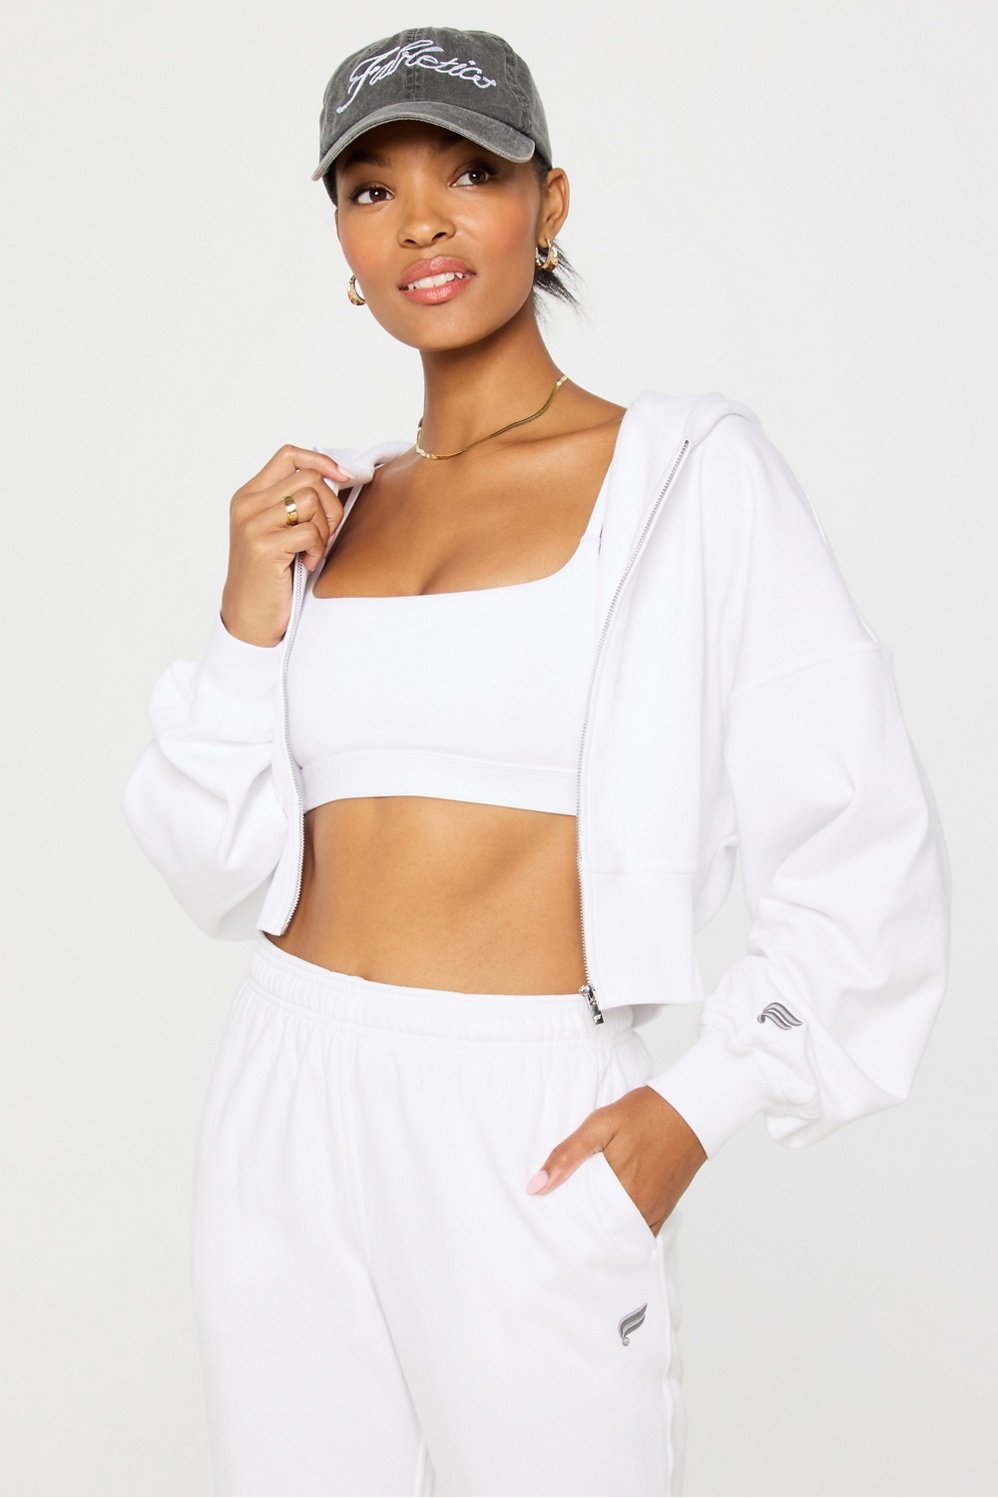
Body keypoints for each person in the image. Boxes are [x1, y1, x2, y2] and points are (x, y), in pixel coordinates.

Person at [120, 25, 951, 1498]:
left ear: (548, 203)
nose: (420, 221)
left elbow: (861, 844)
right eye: (371, 189)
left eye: (470, 172)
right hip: (286, 1098)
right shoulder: (327, 516)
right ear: (342, 239)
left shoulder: (689, 479)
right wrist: (248, 619)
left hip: (526, 1120)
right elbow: (211, 873)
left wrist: (695, 1109)